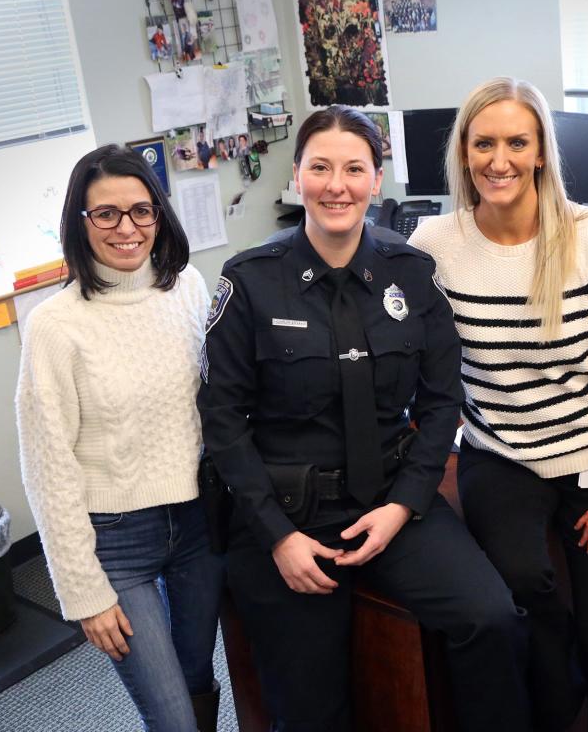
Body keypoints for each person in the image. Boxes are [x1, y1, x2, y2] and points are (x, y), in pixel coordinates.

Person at [197, 105, 529, 732]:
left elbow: (440, 402)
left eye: (355, 168)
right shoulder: (250, 282)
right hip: (291, 518)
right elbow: (222, 422)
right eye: (320, 168)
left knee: (491, 619)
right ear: (297, 177)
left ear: (377, 179)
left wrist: (404, 505)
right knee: (310, 708)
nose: (337, 185)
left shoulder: (411, 272)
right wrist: (277, 536)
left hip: (389, 502)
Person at [409, 77, 588, 732]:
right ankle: (562, 692)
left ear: (540, 152)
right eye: (485, 142)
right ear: (464, 152)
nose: (500, 159)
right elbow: (400, 343)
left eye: (516, 143)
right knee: (525, 593)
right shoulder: (434, 244)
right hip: (501, 457)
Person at [15, 144, 224, 732]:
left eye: (141, 210)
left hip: (197, 524)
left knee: (197, 680)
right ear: (80, 224)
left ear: (159, 214)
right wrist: (83, 590)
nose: (127, 228)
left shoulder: (187, 287)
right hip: (116, 541)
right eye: (106, 214)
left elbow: (218, 403)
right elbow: (47, 465)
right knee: (171, 716)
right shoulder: (55, 326)